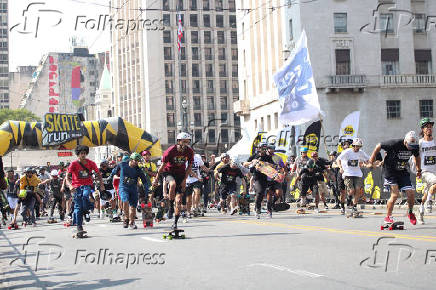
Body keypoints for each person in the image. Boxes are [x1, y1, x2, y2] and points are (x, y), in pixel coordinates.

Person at [368, 131, 421, 226]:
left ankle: (410, 212)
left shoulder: (414, 146)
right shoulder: (394, 143)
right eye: (410, 146)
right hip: (390, 171)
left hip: (402, 171)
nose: (411, 149)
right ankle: (388, 216)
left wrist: (418, 170)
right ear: (405, 142)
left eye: (413, 147)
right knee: (395, 195)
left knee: (411, 193)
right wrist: (371, 161)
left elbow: (417, 157)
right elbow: (378, 146)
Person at [153, 132, 194, 230]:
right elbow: (162, 166)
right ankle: (170, 206)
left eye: (188, 142)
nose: (186, 144)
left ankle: (175, 223)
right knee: (172, 184)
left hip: (181, 174)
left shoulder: (189, 151)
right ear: (178, 141)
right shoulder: (170, 150)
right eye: (184, 142)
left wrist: (185, 179)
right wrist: (156, 179)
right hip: (169, 172)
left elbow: (189, 166)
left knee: (179, 201)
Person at [65, 145, 104, 237]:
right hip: (76, 187)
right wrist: (70, 186)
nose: (83, 155)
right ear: (78, 154)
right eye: (81, 153)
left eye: (84, 153)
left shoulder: (91, 163)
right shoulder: (73, 164)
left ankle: (86, 210)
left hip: (88, 186)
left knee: (85, 196)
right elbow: (67, 177)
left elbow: (98, 174)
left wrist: (101, 184)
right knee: (78, 207)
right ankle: (79, 227)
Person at [109, 153, 150, 229]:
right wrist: (110, 178)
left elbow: (144, 181)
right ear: (131, 159)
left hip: (133, 189)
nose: (137, 162)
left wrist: (147, 189)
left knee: (133, 207)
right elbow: (114, 171)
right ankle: (126, 219)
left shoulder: (138, 169)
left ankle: (132, 222)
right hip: (123, 187)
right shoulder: (122, 164)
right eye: (136, 161)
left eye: (138, 161)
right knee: (125, 200)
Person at [337, 138, 370, 216]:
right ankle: (348, 202)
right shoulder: (347, 152)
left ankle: (354, 206)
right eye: (356, 146)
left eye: (359, 146)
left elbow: (368, 159)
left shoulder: (361, 152)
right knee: (351, 190)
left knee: (358, 190)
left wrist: (370, 163)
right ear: (353, 146)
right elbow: (338, 159)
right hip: (348, 173)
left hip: (357, 173)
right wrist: (340, 167)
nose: (358, 148)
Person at [243, 143, 275, 218]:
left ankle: (269, 210)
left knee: (267, 194)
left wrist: (268, 164)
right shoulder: (254, 156)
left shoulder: (268, 157)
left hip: (267, 177)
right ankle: (257, 209)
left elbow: (274, 165)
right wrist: (252, 162)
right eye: (262, 148)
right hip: (257, 177)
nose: (263, 150)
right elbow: (244, 164)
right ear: (259, 148)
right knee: (260, 193)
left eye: (265, 148)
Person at [417, 118, 436, 224]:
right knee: (435, 183)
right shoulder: (420, 143)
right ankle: (429, 202)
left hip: (433, 171)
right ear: (423, 129)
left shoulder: (434, 142)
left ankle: (420, 212)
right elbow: (415, 157)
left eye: (430, 126)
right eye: (426, 127)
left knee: (427, 193)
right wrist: (417, 170)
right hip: (424, 171)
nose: (429, 128)